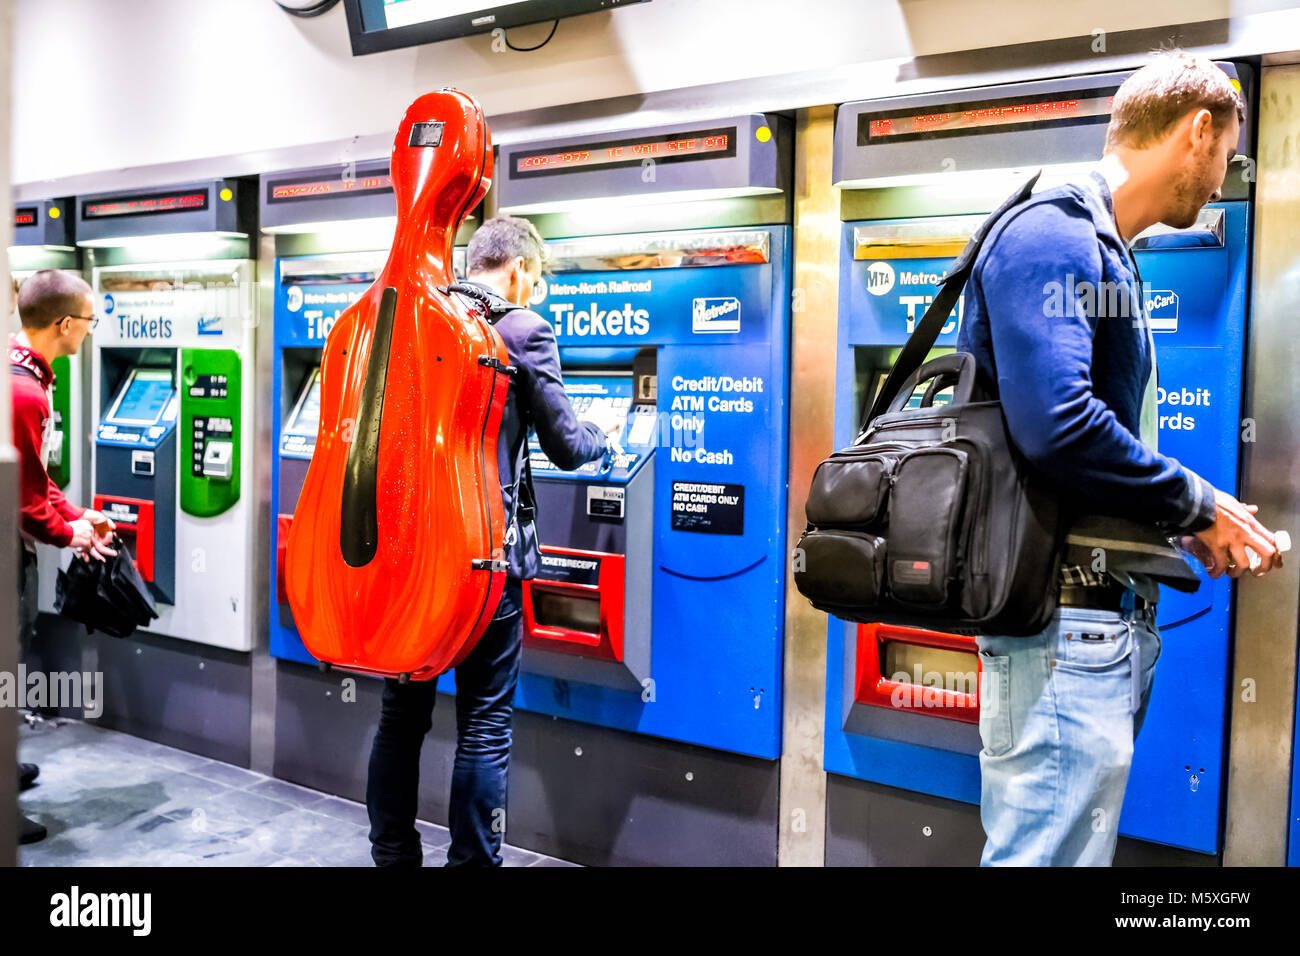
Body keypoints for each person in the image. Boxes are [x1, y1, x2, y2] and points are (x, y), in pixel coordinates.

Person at [958, 51, 1282, 866]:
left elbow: (1085, 449)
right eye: (1225, 158)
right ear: (1197, 131)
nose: (1219, 182)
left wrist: (1176, 525)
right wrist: (1198, 503)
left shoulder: (1100, 246)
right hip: (1061, 628)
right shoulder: (1052, 230)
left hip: (1096, 625)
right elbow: (1058, 424)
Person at [366, 215, 620, 866]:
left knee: (400, 718)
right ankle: (472, 865)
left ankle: (393, 856)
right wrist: (604, 436)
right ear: (517, 270)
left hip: (409, 557)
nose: (534, 291)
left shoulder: (421, 323)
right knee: (484, 722)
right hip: (485, 558)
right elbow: (565, 445)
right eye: (535, 279)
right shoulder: (522, 330)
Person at [9, 270, 117, 845]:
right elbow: (23, 501)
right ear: (65, 324)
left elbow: (36, 478)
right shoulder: (22, 391)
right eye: (91, 322)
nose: (90, 333)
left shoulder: (26, 374)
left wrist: (77, 515)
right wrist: (71, 535)